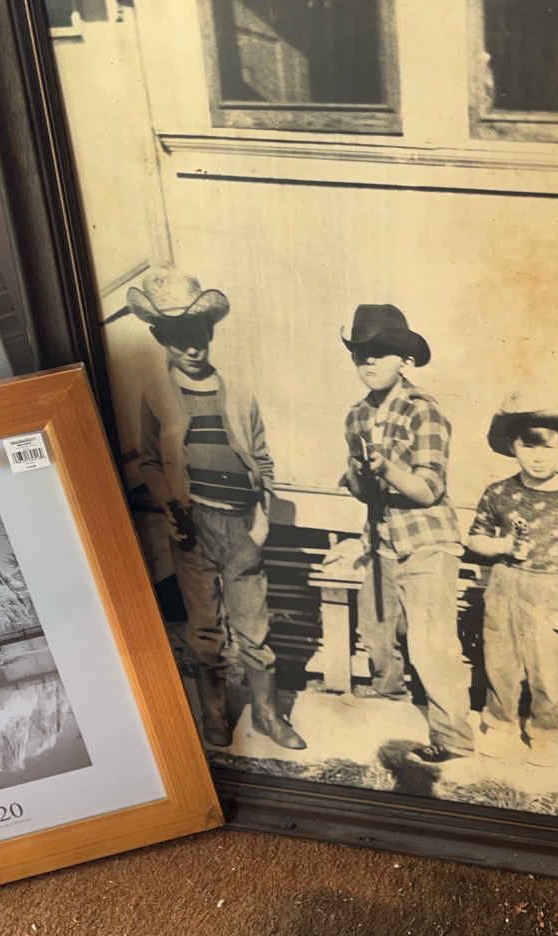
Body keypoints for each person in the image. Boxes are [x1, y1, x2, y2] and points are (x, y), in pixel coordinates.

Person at [117, 265, 304, 751]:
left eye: (198, 333)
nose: (192, 346)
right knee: (204, 630)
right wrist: (172, 509)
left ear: (211, 332)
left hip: (242, 524)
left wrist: (261, 523)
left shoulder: (239, 394)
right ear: (161, 338)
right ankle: (215, 715)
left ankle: (268, 716)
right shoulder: (156, 396)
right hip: (192, 525)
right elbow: (152, 462)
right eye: (179, 336)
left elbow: (262, 459)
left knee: (254, 629)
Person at [339, 304, 475, 764]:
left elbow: (428, 489)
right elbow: (363, 492)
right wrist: (357, 475)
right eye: (360, 352)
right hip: (382, 542)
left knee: (432, 644)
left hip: (426, 542)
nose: (368, 360)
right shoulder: (355, 416)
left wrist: (386, 468)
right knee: (378, 634)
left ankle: (454, 740)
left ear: (405, 359)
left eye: (380, 351)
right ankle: (393, 714)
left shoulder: (424, 411)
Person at [465, 392, 558, 766]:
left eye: (549, 447)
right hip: (505, 584)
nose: (538, 456)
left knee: (547, 670)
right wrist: (502, 545)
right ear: (512, 446)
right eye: (528, 445)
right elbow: (474, 538)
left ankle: (545, 733)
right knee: (500, 662)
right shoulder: (498, 492)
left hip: (552, 590)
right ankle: (499, 725)